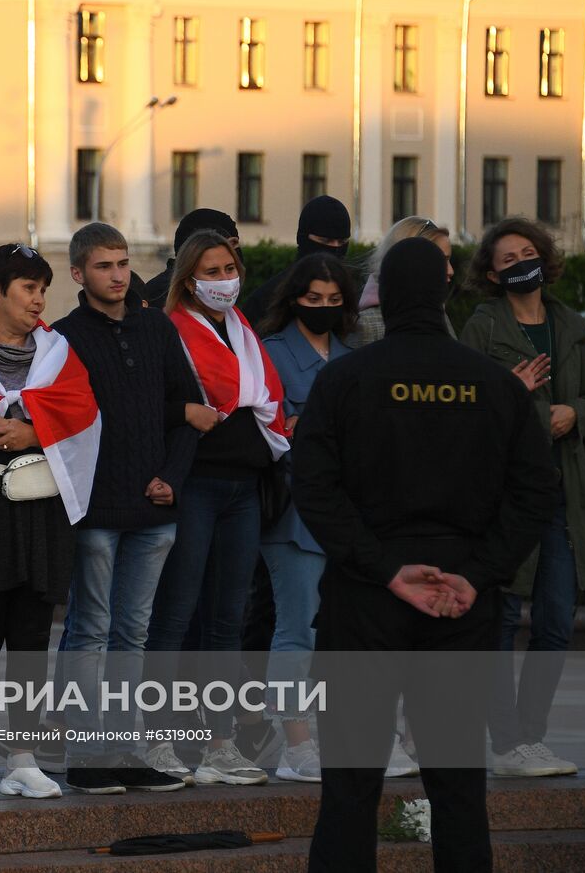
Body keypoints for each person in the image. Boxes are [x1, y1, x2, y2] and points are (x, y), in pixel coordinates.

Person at [294, 236, 556, 871]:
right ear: (444, 293)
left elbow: (313, 489)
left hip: (364, 601)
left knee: (350, 789)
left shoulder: (343, 379)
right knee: (459, 789)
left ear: (381, 297)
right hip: (460, 608)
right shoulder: (495, 386)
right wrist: (477, 574)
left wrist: (384, 569)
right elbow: (533, 494)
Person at [51, 223, 199, 795]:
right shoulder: (63, 337)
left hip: (155, 508)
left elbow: (186, 409)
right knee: (90, 630)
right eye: (103, 266)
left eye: (121, 263)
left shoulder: (157, 327)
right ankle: (87, 756)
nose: (116, 275)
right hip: (94, 511)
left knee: (133, 633)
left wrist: (173, 478)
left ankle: (123, 748)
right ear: (79, 274)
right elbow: (61, 426)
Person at [0, 244, 97, 795]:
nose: (39, 300)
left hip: (42, 500)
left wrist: (36, 433)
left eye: (42, 289)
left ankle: (22, 757)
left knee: (33, 633)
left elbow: (84, 412)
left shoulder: (58, 350)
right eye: (28, 288)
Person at [460, 218, 585, 779]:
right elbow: (467, 409)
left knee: (554, 621)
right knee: (499, 618)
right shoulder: (482, 327)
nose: (522, 263)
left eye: (529, 253)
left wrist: (577, 414)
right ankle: (506, 741)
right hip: (505, 496)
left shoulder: (569, 323)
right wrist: (525, 405)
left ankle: (532, 737)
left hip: (562, 494)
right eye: (508, 259)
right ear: (493, 275)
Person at [145, 229, 289, 787]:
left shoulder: (243, 329)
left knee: (228, 621)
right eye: (210, 270)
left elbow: (263, 402)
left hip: (242, 488)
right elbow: (145, 404)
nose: (223, 279)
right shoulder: (168, 327)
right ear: (188, 277)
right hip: (195, 485)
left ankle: (220, 742)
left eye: (229, 268)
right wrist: (185, 410)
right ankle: (159, 740)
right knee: (176, 617)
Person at [254, 253, 358, 783]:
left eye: (334, 301)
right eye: (313, 299)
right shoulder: (271, 352)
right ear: (294, 297)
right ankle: (296, 742)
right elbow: (268, 430)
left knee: (339, 635)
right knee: (297, 630)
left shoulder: (352, 354)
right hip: (292, 512)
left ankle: (327, 733)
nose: (323, 308)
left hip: (346, 513)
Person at [240, 195, 352, 330]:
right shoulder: (264, 301)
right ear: (303, 238)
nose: (335, 248)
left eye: (342, 242)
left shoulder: (350, 293)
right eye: (325, 241)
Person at [347, 216, 455, 347]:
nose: (450, 271)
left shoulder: (440, 315)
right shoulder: (367, 325)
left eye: (449, 260)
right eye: (440, 260)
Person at [142, 209, 241, 308]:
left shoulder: (230, 314)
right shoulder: (161, 297)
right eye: (212, 272)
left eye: (230, 269)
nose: (225, 279)